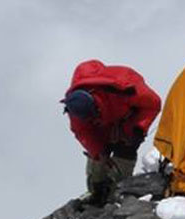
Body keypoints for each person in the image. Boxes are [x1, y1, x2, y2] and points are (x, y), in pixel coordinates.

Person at [62, 60, 162, 204]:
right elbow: (83, 132)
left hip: (128, 121)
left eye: (93, 115)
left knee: (125, 150)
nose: (92, 119)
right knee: (97, 156)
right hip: (103, 127)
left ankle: (119, 191)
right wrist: (99, 152)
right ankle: (97, 191)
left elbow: (152, 104)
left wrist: (137, 129)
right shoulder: (76, 108)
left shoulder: (124, 86)